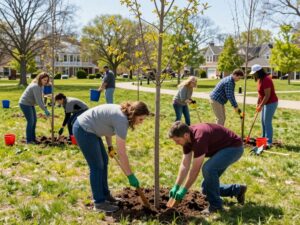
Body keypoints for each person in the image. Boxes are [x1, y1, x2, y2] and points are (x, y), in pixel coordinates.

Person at [73, 101, 150, 213]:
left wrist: (109, 146)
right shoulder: (122, 120)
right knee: (97, 166)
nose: (141, 122)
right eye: (141, 119)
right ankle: (99, 202)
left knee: (104, 161)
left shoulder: (123, 114)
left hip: (92, 130)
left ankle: (105, 195)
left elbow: (108, 127)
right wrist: (130, 175)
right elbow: (122, 153)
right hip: (84, 129)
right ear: (134, 114)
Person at [168, 121, 246, 214]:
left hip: (234, 148)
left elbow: (195, 170)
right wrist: (176, 186)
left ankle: (216, 206)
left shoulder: (199, 138)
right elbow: (185, 164)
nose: (176, 143)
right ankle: (237, 190)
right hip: (221, 149)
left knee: (208, 168)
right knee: (206, 188)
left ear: (185, 135)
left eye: (177, 140)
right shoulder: (187, 139)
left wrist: (184, 190)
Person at [250, 64, 278, 147]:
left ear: (259, 72)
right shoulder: (260, 80)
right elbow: (260, 94)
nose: (253, 75)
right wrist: (257, 104)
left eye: (254, 73)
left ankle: (268, 142)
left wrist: (261, 105)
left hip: (271, 103)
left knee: (267, 121)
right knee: (262, 121)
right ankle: (263, 138)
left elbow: (267, 95)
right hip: (265, 102)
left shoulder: (266, 80)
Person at [19, 72, 51, 144]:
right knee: (30, 121)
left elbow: (40, 98)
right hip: (25, 104)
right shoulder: (36, 86)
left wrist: (44, 106)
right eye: (44, 80)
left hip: (30, 104)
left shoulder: (41, 85)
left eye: (47, 80)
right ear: (40, 79)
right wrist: (45, 110)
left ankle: (33, 138)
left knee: (34, 121)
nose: (46, 82)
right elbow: (38, 101)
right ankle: (29, 140)